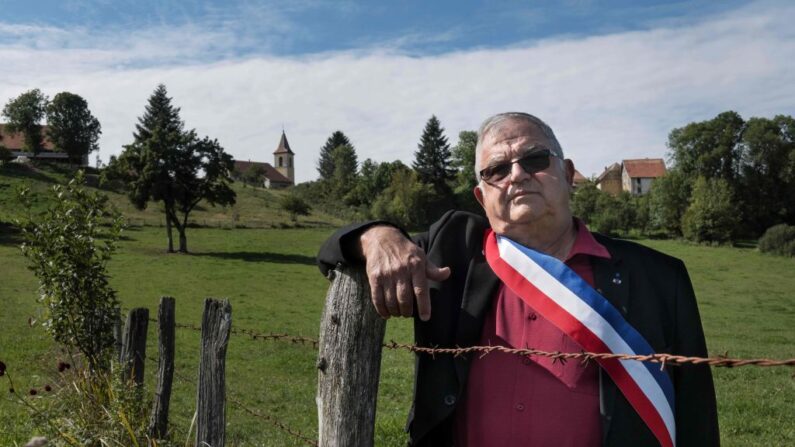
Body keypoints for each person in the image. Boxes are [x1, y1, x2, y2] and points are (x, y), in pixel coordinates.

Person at [317, 112, 719, 446]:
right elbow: (331, 251)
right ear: (481, 196)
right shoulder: (452, 250)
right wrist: (378, 236)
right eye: (496, 169)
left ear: (566, 172)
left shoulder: (659, 278)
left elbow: (697, 420)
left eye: (535, 160)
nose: (517, 175)